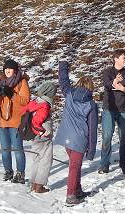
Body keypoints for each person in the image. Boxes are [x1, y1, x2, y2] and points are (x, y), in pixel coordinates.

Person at [54, 60, 98, 206]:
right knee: (74, 166)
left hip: (66, 136)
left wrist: (63, 67)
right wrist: (91, 150)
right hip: (79, 140)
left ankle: (77, 190)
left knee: (75, 165)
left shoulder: (69, 94)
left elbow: (63, 81)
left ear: (78, 84)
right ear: (91, 88)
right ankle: (70, 195)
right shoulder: (91, 105)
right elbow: (92, 129)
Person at [98, 49, 125, 174]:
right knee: (107, 136)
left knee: (124, 138)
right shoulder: (108, 72)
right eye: (123, 57)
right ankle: (104, 164)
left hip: (124, 109)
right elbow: (107, 85)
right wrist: (114, 82)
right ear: (116, 59)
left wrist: (122, 88)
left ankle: (124, 164)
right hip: (109, 108)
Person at [0, 58, 30, 183]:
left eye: (10, 69)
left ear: (15, 70)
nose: (8, 71)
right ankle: (8, 171)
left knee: (18, 149)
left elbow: (25, 101)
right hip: (2, 121)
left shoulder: (21, 82)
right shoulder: (1, 82)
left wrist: (12, 95)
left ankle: (20, 173)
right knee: (5, 149)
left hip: (16, 121)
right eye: (6, 69)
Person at [25, 81, 58, 194]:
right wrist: (42, 131)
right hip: (42, 136)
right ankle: (39, 185)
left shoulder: (35, 102)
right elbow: (37, 121)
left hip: (35, 136)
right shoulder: (44, 105)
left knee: (37, 158)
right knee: (46, 160)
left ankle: (34, 183)